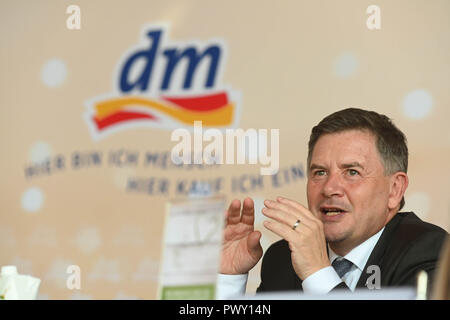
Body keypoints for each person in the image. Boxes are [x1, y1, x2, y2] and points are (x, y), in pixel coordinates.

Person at [217, 108, 448, 298]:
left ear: (394, 190)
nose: (329, 188)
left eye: (352, 172)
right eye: (319, 172)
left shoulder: (430, 251)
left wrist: (317, 272)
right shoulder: (283, 258)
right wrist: (229, 279)